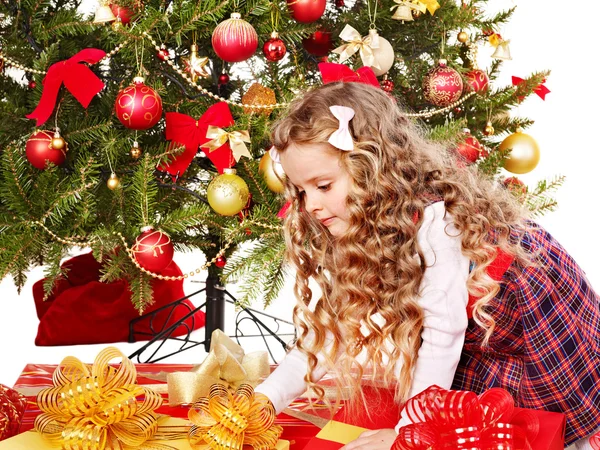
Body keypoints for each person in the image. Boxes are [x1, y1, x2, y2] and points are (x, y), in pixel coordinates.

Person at [254, 66, 600, 449]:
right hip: (480, 339)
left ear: (373, 170)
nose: (311, 205)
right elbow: (331, 334)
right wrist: (264, 399)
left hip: (534, 342)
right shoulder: (359, 221)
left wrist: (406, 437)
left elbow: (441, 338)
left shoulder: (437, 225)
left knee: (507, 431)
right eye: (301, 192)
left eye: (322, 185)